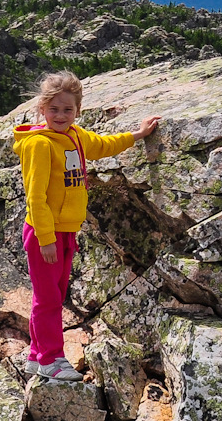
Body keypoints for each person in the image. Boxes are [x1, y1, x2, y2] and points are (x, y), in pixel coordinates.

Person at [13, 71, 161, 382]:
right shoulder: (39, 145)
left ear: (78, 110)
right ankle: (51, 359)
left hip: (66, 230)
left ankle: (36, 356)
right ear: (42, 109)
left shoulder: (76, 137)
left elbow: (104, 145)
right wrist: (46, 238)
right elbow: (35, 197)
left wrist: (138, 134)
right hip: (44, 233)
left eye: (68, 110)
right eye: (54, 109)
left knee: (55, 294)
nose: (61, 115)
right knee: (48, 299)